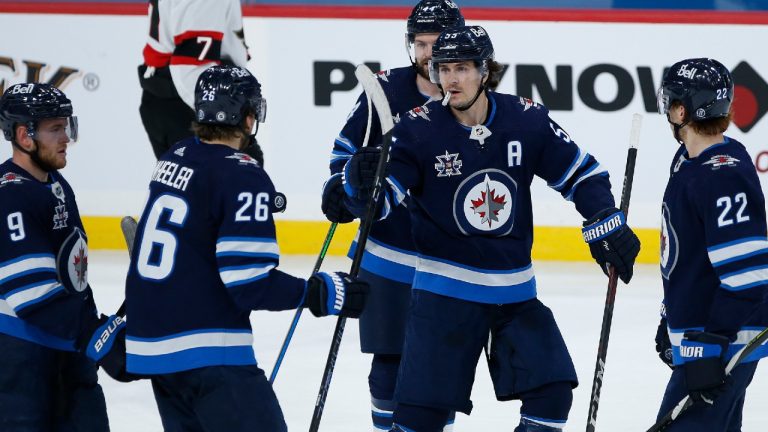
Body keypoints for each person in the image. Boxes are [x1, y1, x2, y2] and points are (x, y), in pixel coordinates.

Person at [343, 26, 641, 432]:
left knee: (552, 394)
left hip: (513, 293)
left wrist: (604, 220)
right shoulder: (417, 129)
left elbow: (582, 173)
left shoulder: (526, 119)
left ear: (484, 71)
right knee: (419, 418)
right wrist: (359, 187)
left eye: (462, 68)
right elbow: (385, 195)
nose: (450, 79)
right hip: (443, 295)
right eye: (442, 68)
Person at [124, 65, 369, 432]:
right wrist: (319, 293)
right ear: (249, 116)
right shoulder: (242, 174)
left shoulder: (176, 155)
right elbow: (249, 282)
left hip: (155, 351)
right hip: (208, 352)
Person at [321, 1, 464, 429]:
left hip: (451, 260)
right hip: (387, 255)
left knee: (440, 370)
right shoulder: (384, 90)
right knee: (387, 368)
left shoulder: (475, 95)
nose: (426, 54)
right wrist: (343, 187)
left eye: (435, 44)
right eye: (419, 44)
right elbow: (343, 155)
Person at [0, 83, 129, 431]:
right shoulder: (10, 195)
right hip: (22, 360)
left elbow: (70, 273)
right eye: (55, 129)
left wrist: (97, 330)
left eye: (66, 126)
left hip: (68, 353)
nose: (66, 137)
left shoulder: (54, 183)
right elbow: (33, 294)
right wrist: (96, 335)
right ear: (25, 135)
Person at [653, 58, 768, 431]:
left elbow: (748, 275)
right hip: (705, 341)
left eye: (670, 101)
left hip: (725, 347)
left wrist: (711, 343)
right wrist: (669, 317)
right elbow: (688, 258)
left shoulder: (722, 176)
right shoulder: (691, 160)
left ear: (681, 110)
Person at [138, 0, 263, 164]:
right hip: (189, 107)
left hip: (169, 98)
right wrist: (227, 125)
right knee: (246, 173)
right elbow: (190, 70)